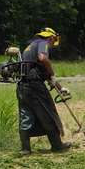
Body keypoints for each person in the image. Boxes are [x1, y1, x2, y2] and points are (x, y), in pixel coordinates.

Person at [17, 27, 71, 155]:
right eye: (53, 42)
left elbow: (39, 69)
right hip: (35, 86)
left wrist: (59, 87)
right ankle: (57, 146)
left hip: (22, 86)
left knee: (26, 115)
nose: (52, 45)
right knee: (48, 113)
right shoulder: (43, 43)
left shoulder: (30, 46)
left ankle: (25, 149)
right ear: (51, 37)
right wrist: (52, 73)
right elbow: (43, 59)